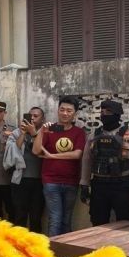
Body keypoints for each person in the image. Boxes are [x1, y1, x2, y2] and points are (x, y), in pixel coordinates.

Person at [80, 100, 129, 226]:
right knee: (98, 223)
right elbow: (87, 160)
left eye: (108, 112)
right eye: (102, 112)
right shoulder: (94, 135)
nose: (104, 115)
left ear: (117, 114)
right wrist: (84, 185)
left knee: (126, 222)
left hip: (122, 185)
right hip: (99, 185)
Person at [33, 97, 86, 236]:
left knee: (66, 220)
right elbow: (36, 151)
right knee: (55, 218)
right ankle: (53, 253)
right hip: (51, 181)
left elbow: (77, 154)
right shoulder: (49, 130)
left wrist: (52, 156)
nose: (65, 113)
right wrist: (41, 132)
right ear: (57, 111)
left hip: (72, 181)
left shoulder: (79, 132)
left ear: (75, 113)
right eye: (62, 109)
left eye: (69, 110)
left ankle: (65, 252)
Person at [7, 107, 46, 232]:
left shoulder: (45, 133)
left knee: (36, 216)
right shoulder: (17, 133)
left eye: (36, 116)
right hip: (20, 180)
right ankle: (19, 246)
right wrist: (23, 133)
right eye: (30, 116)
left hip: (39, 181)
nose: (33, 118)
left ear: (42, 119)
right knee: (20, 215)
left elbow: (42, 151)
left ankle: (36, 247)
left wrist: (34, 133)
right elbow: (14, 151)